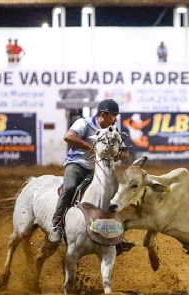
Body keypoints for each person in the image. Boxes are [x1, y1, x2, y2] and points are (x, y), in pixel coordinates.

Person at [48, 99, 129, 243]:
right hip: (77, 165)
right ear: (103, 114)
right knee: (70, 187)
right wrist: (91, 146)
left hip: (97, 170)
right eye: (113, 115)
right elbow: (69, 137)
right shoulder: (84, 123)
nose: (116, 119)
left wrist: (115, 153)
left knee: (112, 194)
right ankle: (57, 226)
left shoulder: (112, 132)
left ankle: (114, 233)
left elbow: (125, 154)